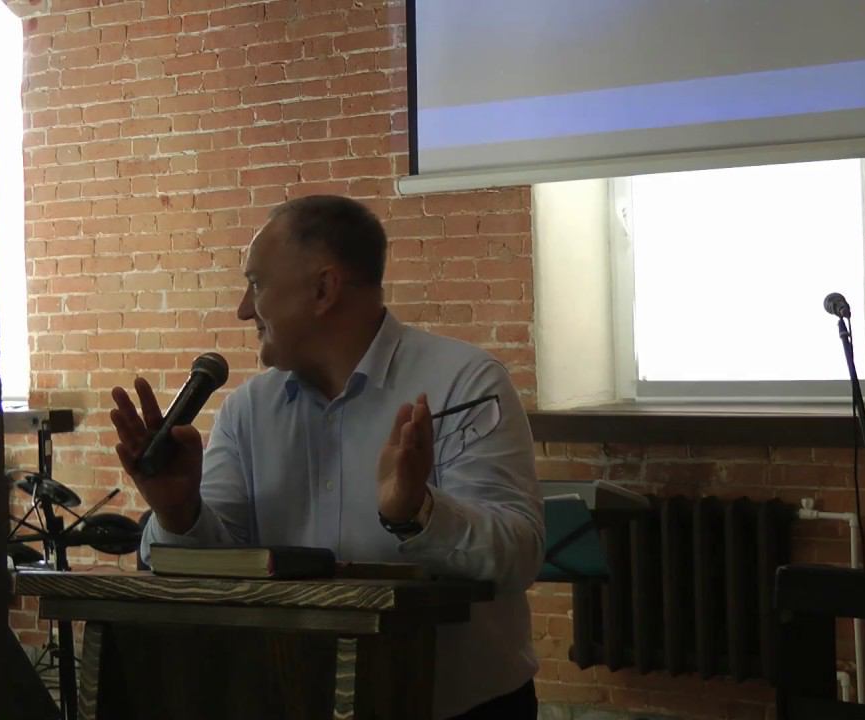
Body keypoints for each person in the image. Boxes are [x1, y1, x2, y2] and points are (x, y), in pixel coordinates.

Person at [111, 195, 544, 719]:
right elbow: (218, 573)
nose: (244, 309)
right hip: (293, 699)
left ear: (323, 289)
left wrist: (419, 514)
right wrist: (179, 512)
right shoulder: (247, 411)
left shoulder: (463, 382)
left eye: (256, 285)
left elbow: (519, 556)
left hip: (458, 707)